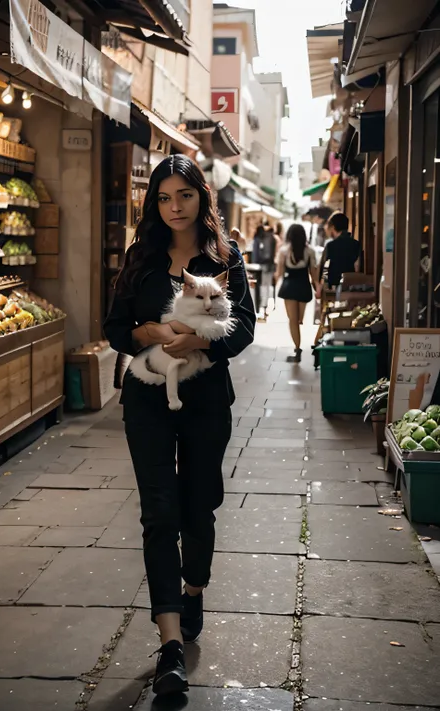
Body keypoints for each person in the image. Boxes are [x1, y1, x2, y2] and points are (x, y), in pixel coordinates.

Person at [104, 154, 255, 696]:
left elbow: (244, 332)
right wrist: (149, 334)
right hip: (147, 398)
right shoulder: (141, 258)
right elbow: (115, 327)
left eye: (184, 196)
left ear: (201, 198)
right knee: (158, 513)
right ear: (154, 202)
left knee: (198, 503)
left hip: (208, 399)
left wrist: (199, 340)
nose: (174, 207)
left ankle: (194, 590)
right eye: (164, 197)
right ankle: (169, 642)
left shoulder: (226, 258)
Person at [275, 223, 318, 362]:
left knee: (292, 321)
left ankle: (297, 349)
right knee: (299, 320)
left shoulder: (284, 251)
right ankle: (298, 345)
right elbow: (313, 273)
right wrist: (318, 286)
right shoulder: (310, 251)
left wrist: (275, 280)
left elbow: (279, 273)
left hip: (289, 287)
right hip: (304, 286)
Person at [317, 212, 360, 293]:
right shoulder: (356, 244)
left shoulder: (331, 246)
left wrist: (319, 286)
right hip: (352, 286)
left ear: (333, 227)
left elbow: (322, 266)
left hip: (333, 287)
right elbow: (358, 265)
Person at [252, 221, 277, 320]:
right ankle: (265, 305)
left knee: (262, 286)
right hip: (269, 265)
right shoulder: (271, 238)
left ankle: (263, 305)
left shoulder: (259, 239)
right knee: (267, 286)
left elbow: (256, 254)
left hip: (261, 266)